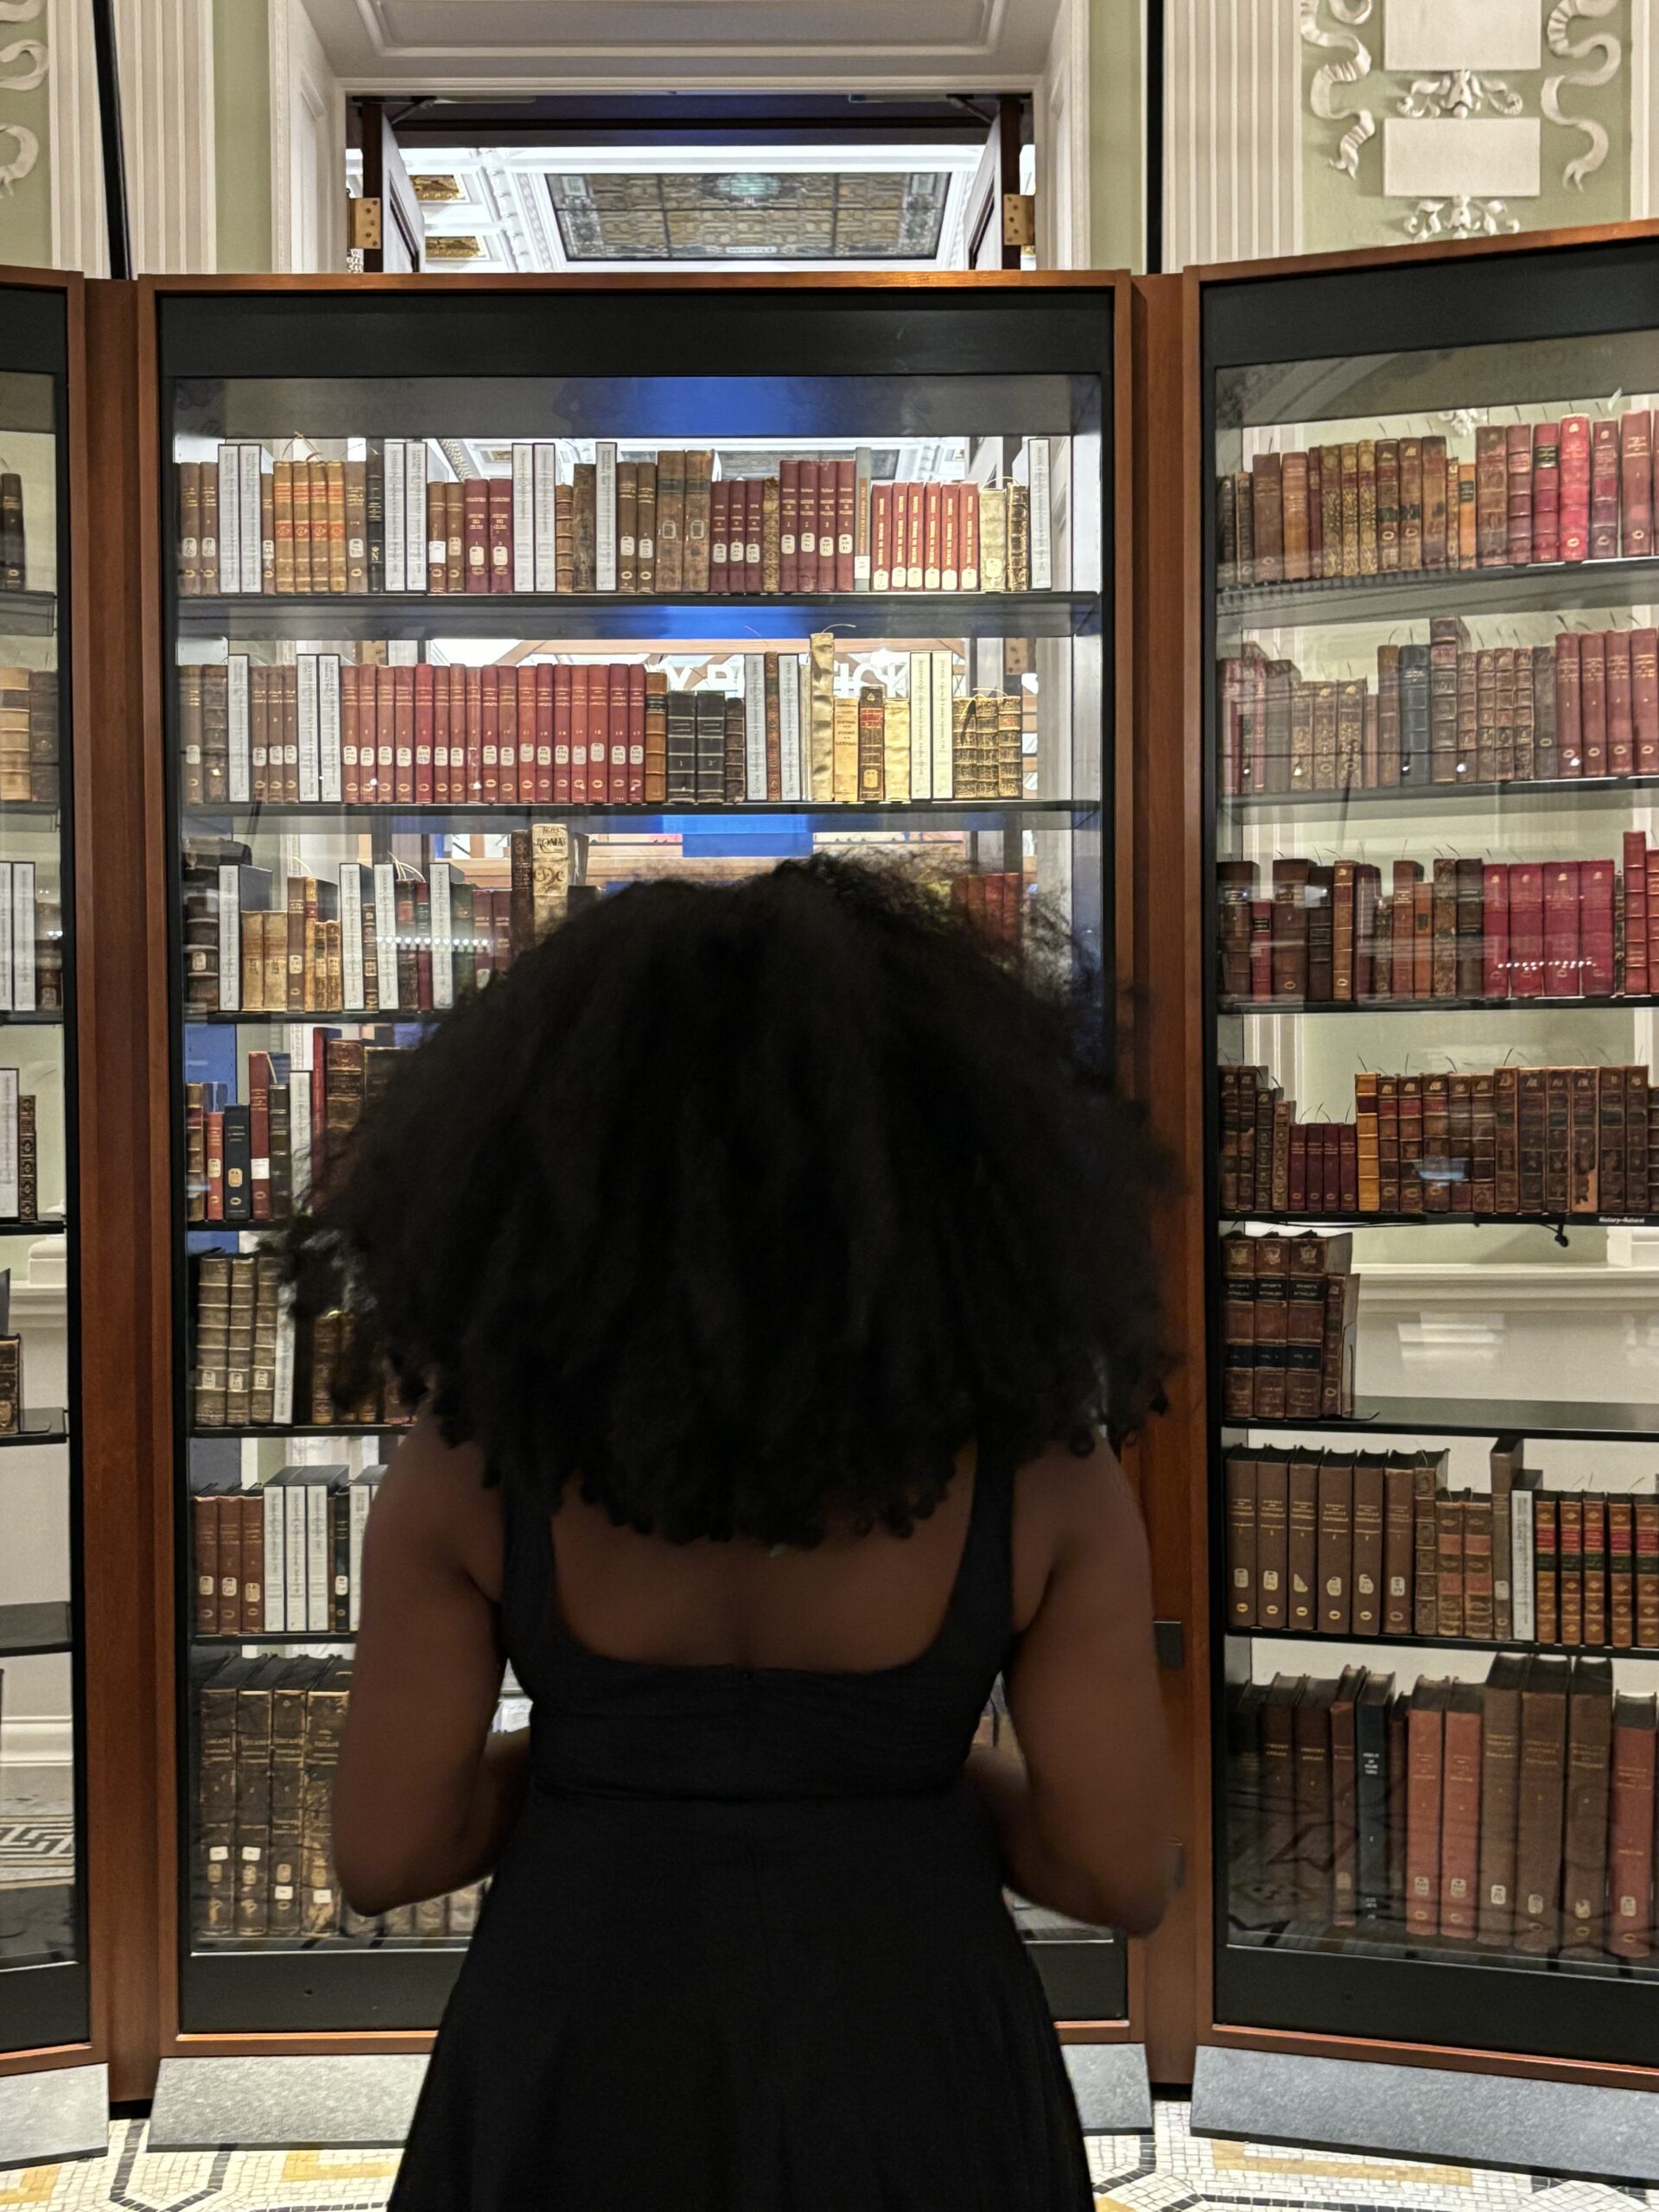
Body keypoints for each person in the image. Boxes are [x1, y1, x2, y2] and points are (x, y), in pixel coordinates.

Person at [294, 855, 1174, 2211]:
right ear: (943, 1146)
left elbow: (387, 1853)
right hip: (919, 2064)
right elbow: (1118, 1871)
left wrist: (612, 1761)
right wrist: (904, 1769)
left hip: (578, 2055)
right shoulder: (1045, 1477)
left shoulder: (471, 1466)